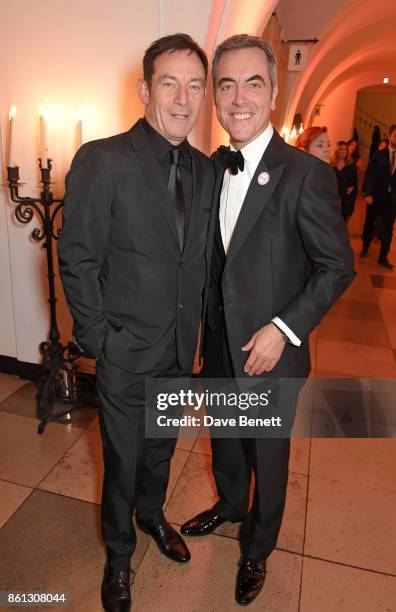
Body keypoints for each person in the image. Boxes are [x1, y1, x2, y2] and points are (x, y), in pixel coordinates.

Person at [181, 34, 355, 607]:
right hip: (220, 346)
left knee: (268, 455)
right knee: (226, 443)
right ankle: (231, 504)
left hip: (272, 355)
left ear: (274, 93)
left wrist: (283, 330)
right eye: (225, 84)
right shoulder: (210, 168)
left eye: (252, 82)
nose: (238, 97)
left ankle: (257, 546)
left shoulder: (305, 174)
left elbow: (336, 268)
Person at [58, 33, 214, 612]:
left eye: (194, 85)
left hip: (179, 349)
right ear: (145, 88)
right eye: (169, 83)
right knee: (122, 459)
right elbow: (78, 257)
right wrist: (102, 341)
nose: (182, 98)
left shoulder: (206, 170)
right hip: (125, 349)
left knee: (158, 452)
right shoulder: (103, 160)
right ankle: (119, 559)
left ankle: (153, 518)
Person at [361, 124, 396, 269]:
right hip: (375, 196)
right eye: (395, 135)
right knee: (370, 222)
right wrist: (368, 193)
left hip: (392, 200)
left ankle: (383, 256)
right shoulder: (379, 154)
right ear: (390, 136)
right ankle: (366, 245)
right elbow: (369, 175)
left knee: (388, 228)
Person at [331, 140, 358, 221]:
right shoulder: (331, 165)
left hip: (344, 199)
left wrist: (350, 190)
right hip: (331, 198)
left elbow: (354, 182)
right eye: (341, 149)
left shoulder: (351, 166)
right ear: (337, 151)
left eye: (345, 149)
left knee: (341, 222)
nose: (343, 151)